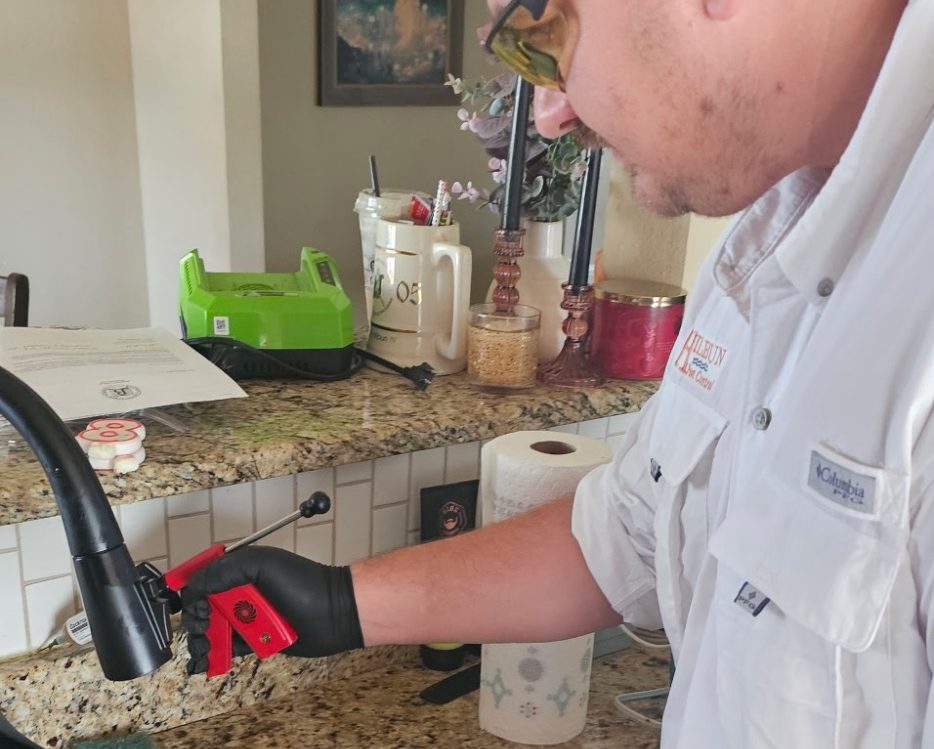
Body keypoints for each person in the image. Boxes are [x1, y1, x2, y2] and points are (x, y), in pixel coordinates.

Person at [182, 0, 934, 745]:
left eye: (548, 40)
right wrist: (340, 603)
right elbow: (627, 535)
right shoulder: (767, 239)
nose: (548, 116)